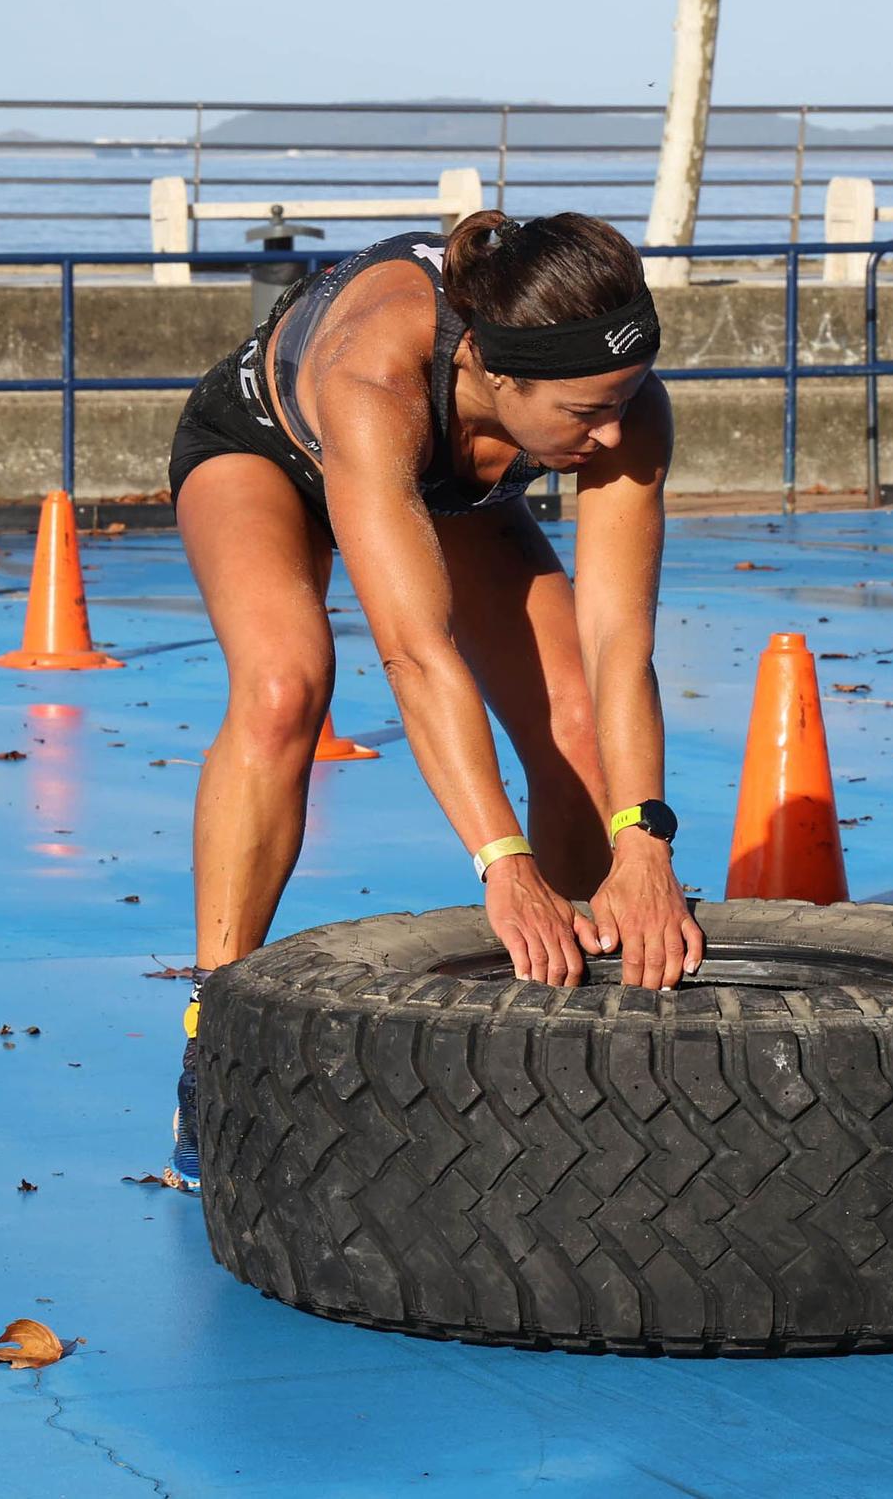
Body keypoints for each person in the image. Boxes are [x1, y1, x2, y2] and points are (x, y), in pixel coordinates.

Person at [163, 211, 706, 1189]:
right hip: (265, 449)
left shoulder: (619, 404)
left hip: (452, 483)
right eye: (586, 412)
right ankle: (213, 1019)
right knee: (286, 684)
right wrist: (502, 861)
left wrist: (643, 842)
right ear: (497, 376)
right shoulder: (374, 377)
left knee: (572, 718)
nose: (614, 430)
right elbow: (416, 654)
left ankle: (574, 1003)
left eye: (627, 395)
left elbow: (620, 639)